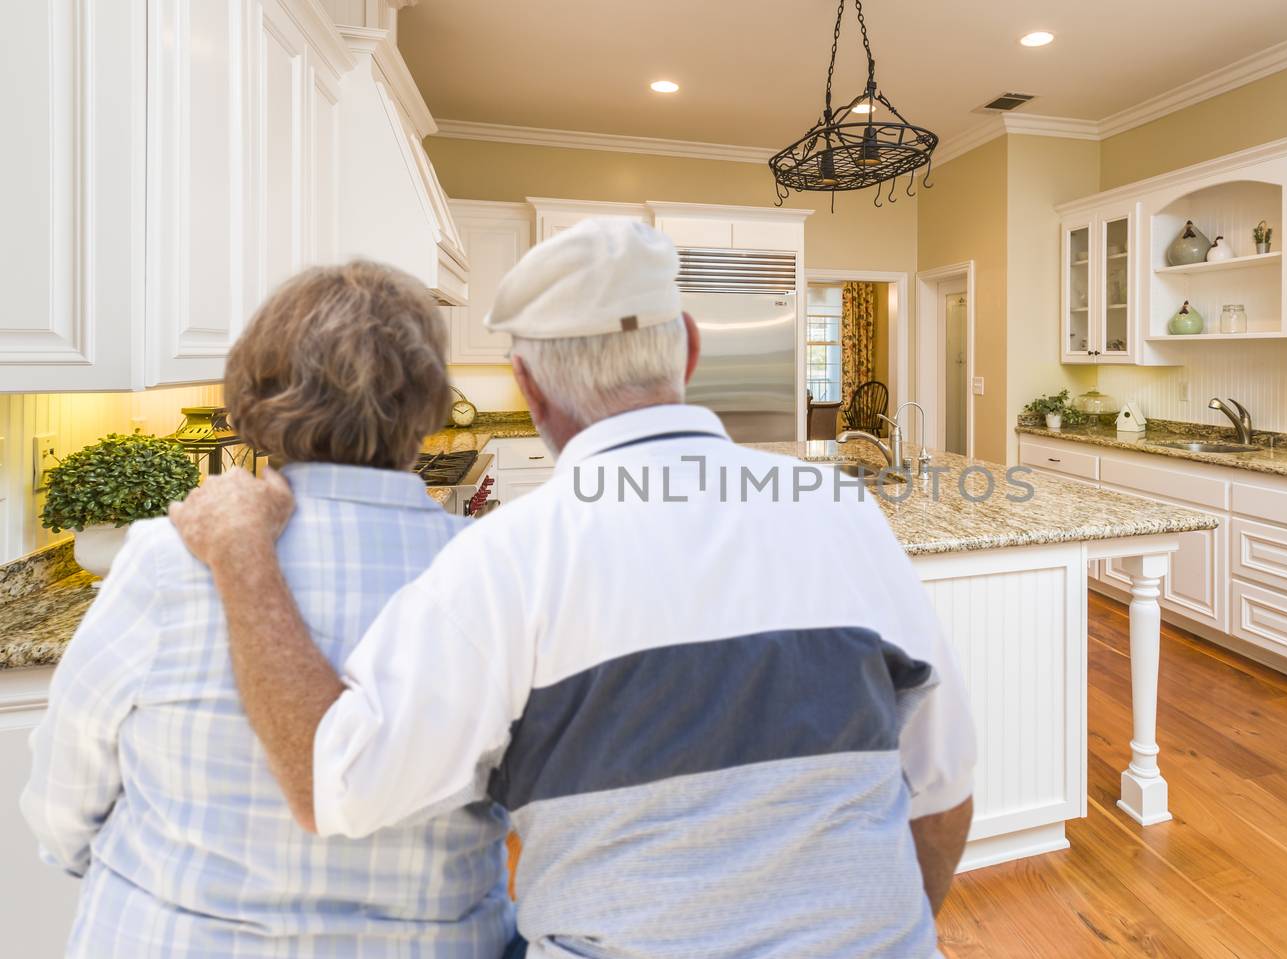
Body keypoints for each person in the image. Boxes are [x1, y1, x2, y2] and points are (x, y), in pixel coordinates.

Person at [167, 218, 978, 958]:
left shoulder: (505, 559)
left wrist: (243, 553)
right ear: (690, 348)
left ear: (528, 384)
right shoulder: (844, 512)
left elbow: (330, 783)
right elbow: (942, 796)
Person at [21, 262, 515, 957]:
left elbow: (65, 792)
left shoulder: (168, 558)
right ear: (429, 400)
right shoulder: (494, 574)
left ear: (255, 389)